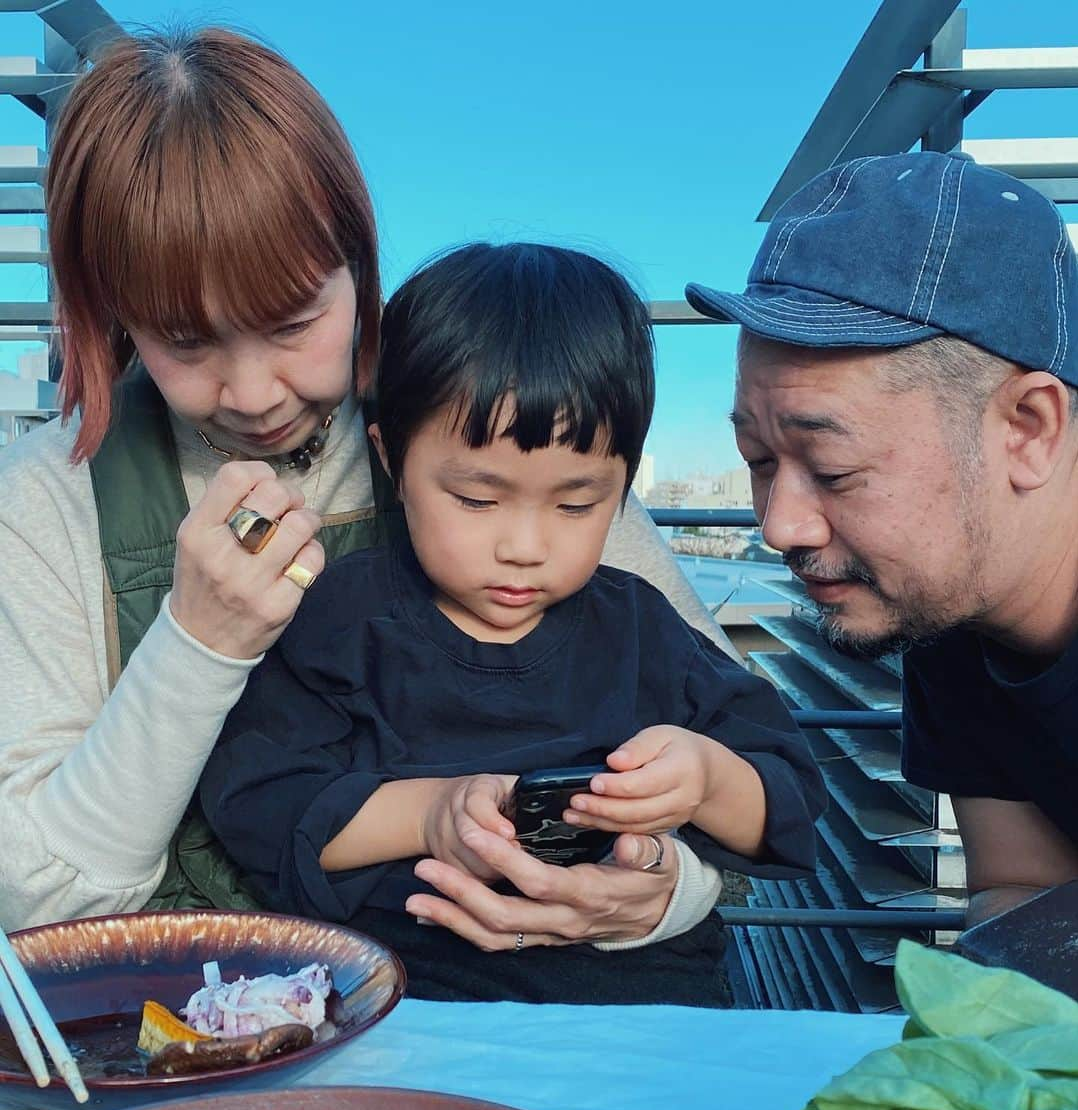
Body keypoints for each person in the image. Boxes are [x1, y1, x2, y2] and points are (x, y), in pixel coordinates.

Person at [0, 27, 747, 964]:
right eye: (185, 342)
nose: (255, 392)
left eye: (292, 322)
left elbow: (736, 757)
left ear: (359, 261)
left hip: (497, 1006)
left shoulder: (491, 429)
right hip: (190, 1014)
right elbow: (42, 901)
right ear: (114, 314)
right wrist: (197, 644)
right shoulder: (50, 500)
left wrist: (657, 897)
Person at [200, 243, 825, 1002]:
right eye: (476, 499)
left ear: (624, 485)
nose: (525, 548)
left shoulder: (641, 629)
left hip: (647, 1001)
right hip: (415, 1000)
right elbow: (262, 804)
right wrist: (431, 815)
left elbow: (788, 799)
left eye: (576, 504)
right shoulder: (342, 620)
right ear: (392, 459)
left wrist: (704, 781)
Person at [684, 149, 1078, 930]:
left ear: (1028, 430)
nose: (778, 526)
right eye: (760, 463)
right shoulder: (947, 599)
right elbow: (1026, 893)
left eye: (833, 470)